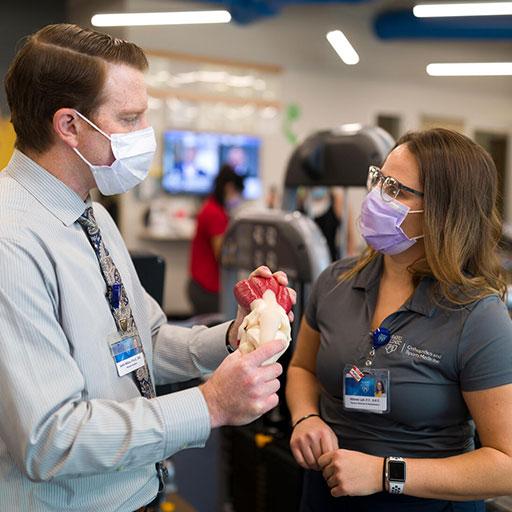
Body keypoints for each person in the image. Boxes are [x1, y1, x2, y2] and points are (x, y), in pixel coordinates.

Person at [0, 24, 294, 512]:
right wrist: (210, 405)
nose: (145, 137)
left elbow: (143, 341)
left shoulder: (91, 216)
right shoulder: (12, 243)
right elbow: (49, 438)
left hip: (140, 492)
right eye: (130, 118)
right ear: (69, 125)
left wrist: (233, 336)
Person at [286, 128, 512, 511]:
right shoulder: (336, 280)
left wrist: (384, 473)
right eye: (379, 179)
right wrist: (305, 417)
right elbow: (302, 368)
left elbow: (505, 465)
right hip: (326, 494)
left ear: (443, 211)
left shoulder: (478, 315)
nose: (377, 197)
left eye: (397, 190)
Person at [188, 164, 244, 315]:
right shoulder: (216, 215)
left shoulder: (210, 207)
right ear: (230, 188)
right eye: (238, 192)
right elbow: (222, 255)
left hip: (199, 283)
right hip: (208, 288)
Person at [308, 186, 356, 261]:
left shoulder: (338, 197)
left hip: (331, 260)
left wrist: (351, 260)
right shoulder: (302, 197)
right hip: (308, 259)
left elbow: (349, 233)